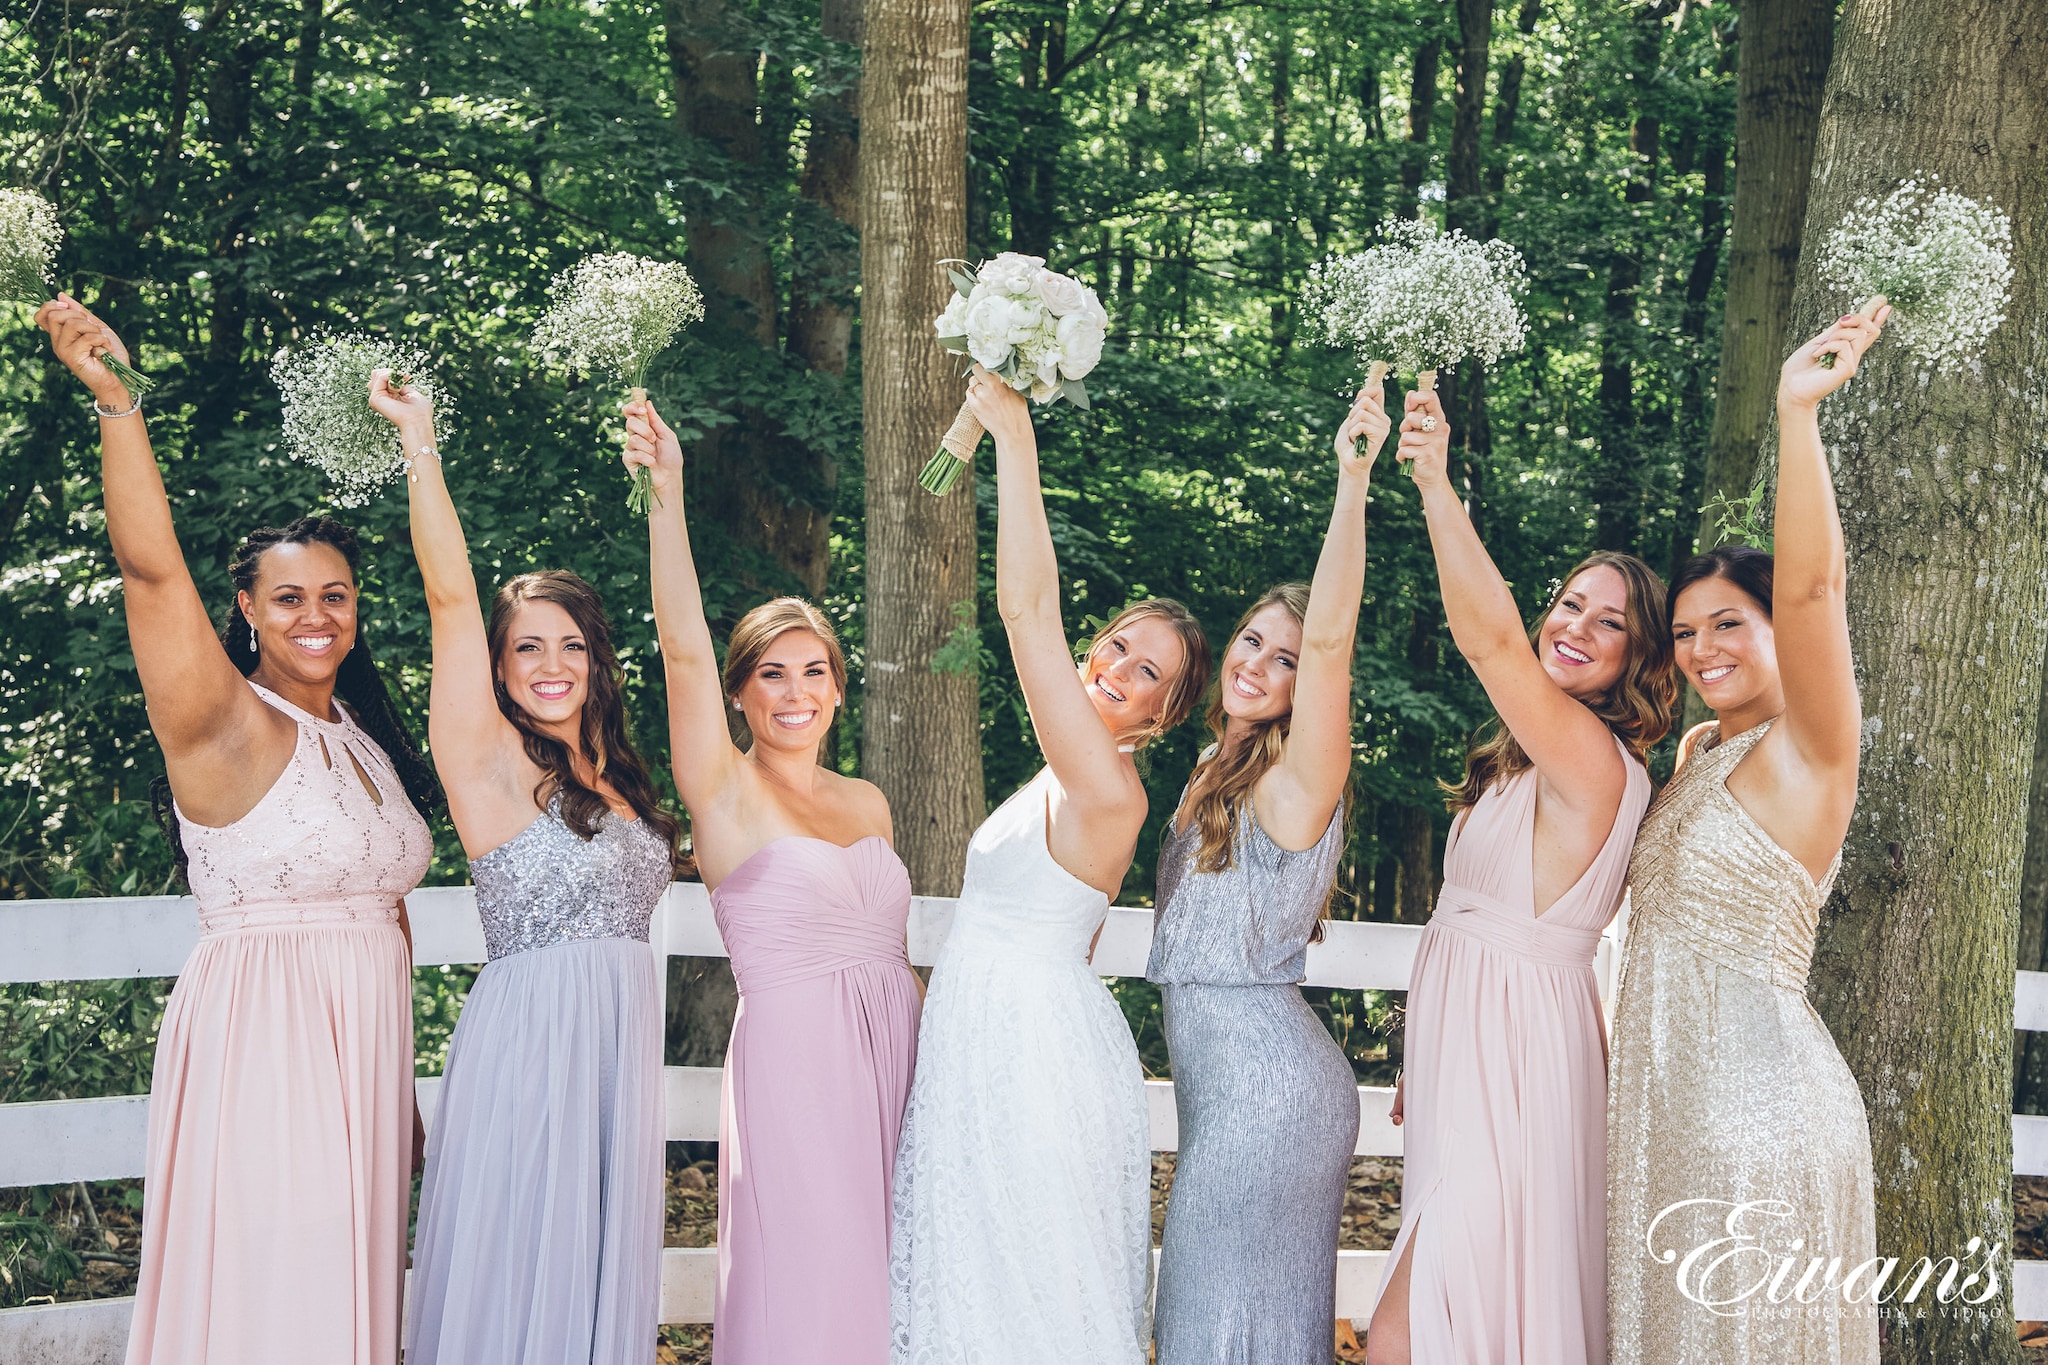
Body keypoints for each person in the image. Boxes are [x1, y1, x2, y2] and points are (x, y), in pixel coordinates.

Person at [36, 295, 441, 1365]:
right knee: (278, 1290)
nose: (318, 617)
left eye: (338, 596)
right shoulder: (221, 723)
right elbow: (150, 573)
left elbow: (386, 911)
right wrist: (119, 407)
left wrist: (397, 1087)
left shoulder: (359, 731)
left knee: (349, 1293)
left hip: (364, 1052)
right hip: (266, 1044)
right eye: (290, 598)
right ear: (247, 610)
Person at [889, 365, 1213, 1365]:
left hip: (1028, 1050)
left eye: (1144, 672)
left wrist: (1011, 439)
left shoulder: (1108, 790)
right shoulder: (1064, 771)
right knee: (974, 1271)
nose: (1115, 668)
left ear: (1163, 718)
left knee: (1027, 1282)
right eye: (1117, 646)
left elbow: (1027, 614)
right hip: (983, 1037)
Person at [1366, 389, 1675, 1365]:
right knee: (1459, 1309)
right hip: (1477, 1051)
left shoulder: (1590, 757)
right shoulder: (1524, 760)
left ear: (1637, 656)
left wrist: (1429, 480)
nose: (1574, 626)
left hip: (1514, 1066)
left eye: (1609, 622)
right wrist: (1433, 1046)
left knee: (1409, 1331)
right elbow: (1489, 930)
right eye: (1569, 602)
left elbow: (1486, 640)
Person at [373, 376, 676, 1364]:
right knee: (517, 1264)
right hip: (531, 1050)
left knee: (590, 1269)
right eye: (527, 648)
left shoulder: (620, 777)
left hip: (615, 1056)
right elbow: (450, 596)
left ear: (596, 659)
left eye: (571, 645)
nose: (551, 664)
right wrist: (421, 436)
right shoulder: (488, 760)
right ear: (497, 667)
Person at [1607, 308, 1889, 1365]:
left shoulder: (1810, 748)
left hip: (1756, 1120)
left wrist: (1795, 415)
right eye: (1682, 632)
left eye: (1728, 622)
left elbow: (1815, 585)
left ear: (1779, 633)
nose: (1699, 648)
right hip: (1659, 1121)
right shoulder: (1690, 761)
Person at [620, 398, 922, 1365]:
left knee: (896, 1261)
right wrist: (665, 495)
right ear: (742, 691)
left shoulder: (870, 801)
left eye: (814, 672)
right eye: (772, 675)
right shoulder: (726, 794)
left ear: (839, 685)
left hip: (899, 1056)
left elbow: (897, 956)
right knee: (812, 1263)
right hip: (796, 1061)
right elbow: (681, 649)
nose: (795, 694)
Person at [1147, 378, 1388, 1362]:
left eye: (1285, 659)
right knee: (1223, 1324)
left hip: (1268, 1094)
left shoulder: (1299, 774)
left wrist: (1352, 480)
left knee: (1212, 1326)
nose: (1257, 663)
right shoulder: (1214, 766)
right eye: (1251, 639)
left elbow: (1331, 637)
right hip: (1225, 1090)